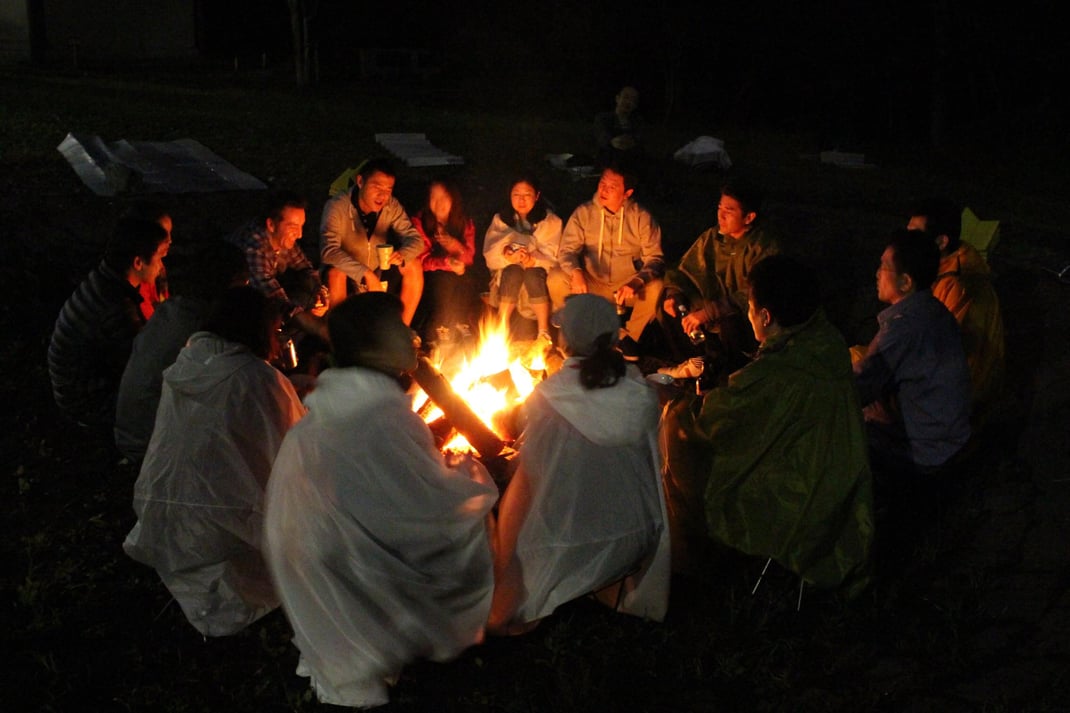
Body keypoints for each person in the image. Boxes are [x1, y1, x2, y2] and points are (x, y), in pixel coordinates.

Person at [264, 292, 498, 709]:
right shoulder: (377, 414)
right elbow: (428, 510)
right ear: (374, 345)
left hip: (306, 555)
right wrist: (472, 474)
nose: (411, 335)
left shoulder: (339, 403)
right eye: (400, 328)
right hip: (336, 563)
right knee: (473, 516)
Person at [664, 255, 874, 596]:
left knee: (684, 454)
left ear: (765, 315)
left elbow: (711, 423)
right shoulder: (825, 340)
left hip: (798, 499)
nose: (747, 314)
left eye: (749, 305)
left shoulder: (777, 375)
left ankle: (693, 572)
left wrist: (675, 406)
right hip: (841, 485)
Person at [123, 286, 306, 637]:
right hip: (215, 533)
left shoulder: (191, 363)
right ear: (258, 329)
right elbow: (298, 452)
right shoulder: (259, 379)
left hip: (162, 514)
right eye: (274, 330)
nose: (278, 339)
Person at [488, 294, 669, 634]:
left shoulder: (550, 397)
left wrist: (506, 556)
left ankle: (512, 589)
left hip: (576, 546)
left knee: (510, 495)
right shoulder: (639, 390)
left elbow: (527, 483)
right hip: (638, 535)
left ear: (566, 340)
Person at [114, 241, 248, 464]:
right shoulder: (200, 330)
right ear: (230, 285)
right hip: (149, 443)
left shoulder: (173, 309)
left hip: (129, 429)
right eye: (243, 284)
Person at [854, 228, 971, 476]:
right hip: (951, 435)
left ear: (905, 282)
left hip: (927, 453)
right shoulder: (934, 310)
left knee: (843, 427)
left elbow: (857, 389)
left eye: (883, 267)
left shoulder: (904, 328)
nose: (877, 274)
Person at [48, 216, 170, 430]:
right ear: (138, 262)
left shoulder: (106, 277)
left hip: (78, 384)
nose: (161, 265)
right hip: (86, 400)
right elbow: (139, 369)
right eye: (159, 257)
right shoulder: (116, 308)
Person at [658, 179, 781, 376]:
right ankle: (696, 362)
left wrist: (709, 312)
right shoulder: (713, 237)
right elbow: (684, 271)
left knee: (730, 323)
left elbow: (754, 293)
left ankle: (730, 372)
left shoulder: (762, 247)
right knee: (669, 303)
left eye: (729, 210)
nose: (721, 215)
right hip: (709, 306)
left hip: (741, 318)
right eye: (719, 207)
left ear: (749, 217)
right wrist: (674, 294)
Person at [908, 197, 1005, 431]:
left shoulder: (959, 285)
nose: (906, 242)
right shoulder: (940, 270)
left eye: (914, 235)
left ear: (941, 242)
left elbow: (942, 355)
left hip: (961, 394)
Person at [558, 164, 665, 346]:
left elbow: (655, 257)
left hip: (627, 286)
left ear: (627, 193)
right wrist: (576, 272)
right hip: (592, 281)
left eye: (612, 187)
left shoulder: (641, 217)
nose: (603, 190)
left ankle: (628, 339)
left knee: (656, 287)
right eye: (602, 183)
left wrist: (638, 281)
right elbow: (567, 250)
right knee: (556, 278)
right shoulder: (584, 213)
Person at [320, 158, 425, 326]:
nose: (383, 195)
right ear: (360, 181)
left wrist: (402, 254)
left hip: (377, 271)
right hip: (348, 274)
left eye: (388, 189)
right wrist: (364, 273)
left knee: (413, 265)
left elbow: (415, 240)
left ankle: (401, 332)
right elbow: (329, 251)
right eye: (377, 187)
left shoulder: (391, 206)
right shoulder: (337, 206)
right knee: (335, 273)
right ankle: (339, 337)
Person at [226, 190, 328, 342]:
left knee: (308, 288)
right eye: (293, 227)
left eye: (301, 226)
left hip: (264, 298)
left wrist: (321, 289)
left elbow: (304, 266)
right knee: (295, 312)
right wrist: (319, 327)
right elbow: (273, 296)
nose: (299, 234)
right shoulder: (254, 246)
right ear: (271, 224)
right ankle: (277, 348)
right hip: (234, 310)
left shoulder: (281, 236)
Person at [483, 176, 568, 343]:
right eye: (516, 194)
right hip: (510, 271)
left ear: (536, 196)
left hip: (539, 272)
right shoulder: (502, 220)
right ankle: (501, 327)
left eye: (527, 194)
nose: (521, 200)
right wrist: (507, 254)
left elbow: (553, 255)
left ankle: (543, 332)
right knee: (512, 271)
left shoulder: (550, 221)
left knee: (532, 274)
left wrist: (533, 259)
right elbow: (490, 253)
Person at [410, 177, 482, 340]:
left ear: (453, 199)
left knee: (466, 279)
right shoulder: (420, 222)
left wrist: (456, 246)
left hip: (458, 274)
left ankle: (461, 324)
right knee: (444, 281)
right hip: (431, 276)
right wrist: (446, 262)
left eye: (444, 197)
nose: (439, 203)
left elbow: (469, 258)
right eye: (434, 198)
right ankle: (441, 328)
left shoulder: (464, 222)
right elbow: (421, 260)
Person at [121, 200, 174, 321]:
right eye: (163, 234)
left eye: (169, 233)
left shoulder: (157, 267)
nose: (170, 240)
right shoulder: (137, 281)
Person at [594, 85, 644, 168]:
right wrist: (613, 141)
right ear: (617, 98)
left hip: (632, 164)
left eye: (633, 100)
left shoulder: (637, 122)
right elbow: (602, 137)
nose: (628, 102)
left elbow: (640, 140)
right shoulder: (603, 118)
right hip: (607, 163)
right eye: (626, 97)